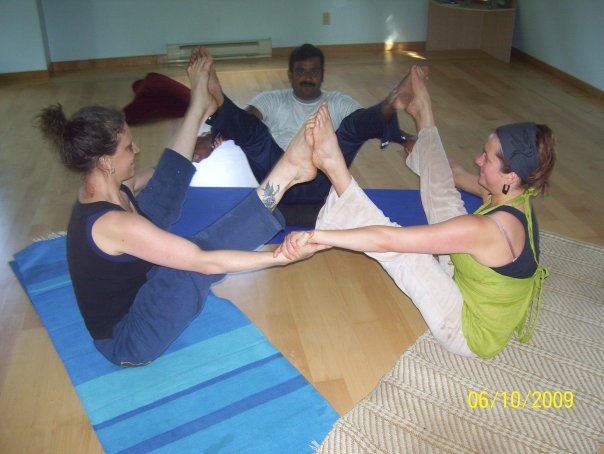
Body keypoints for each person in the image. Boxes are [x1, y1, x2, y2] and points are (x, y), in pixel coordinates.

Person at [36, 49, 326, 367]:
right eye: (128, 146)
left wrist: (188, 158)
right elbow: (203, 261)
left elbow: (156, 180)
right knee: (190, 263)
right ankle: (284, 175)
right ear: (105, 161)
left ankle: (200, 108)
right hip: (129, 338)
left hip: (141, 285)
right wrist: (277, 257)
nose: (137, 149)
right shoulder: (114, 226)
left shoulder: (102, 189)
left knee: (160, 192)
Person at [277, 65, 557, 359]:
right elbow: (451, 174)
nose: (477, 159)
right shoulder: (517, 194)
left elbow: (390, 241)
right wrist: (416, 140)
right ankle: (425, 113)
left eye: (485, 158)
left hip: (468, 330)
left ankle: (337, 172)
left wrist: (320, 236)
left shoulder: (489, 230)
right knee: (444, 198)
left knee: (408, 254)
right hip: (471, 283)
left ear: (511, 175)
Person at [204, 44, 417, 224]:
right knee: (256, 134)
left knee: (351, 128)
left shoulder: (339, 102)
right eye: (301, 71)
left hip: (321, 180)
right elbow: (245, 121)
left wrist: (406, 138)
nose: (307, 77)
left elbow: (366, 124)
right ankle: (220, 102)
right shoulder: (271, 100)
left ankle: (390, 103)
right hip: (277, 180)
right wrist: (209, 138)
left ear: (322, 75)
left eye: (314, 72)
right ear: (291, 74)